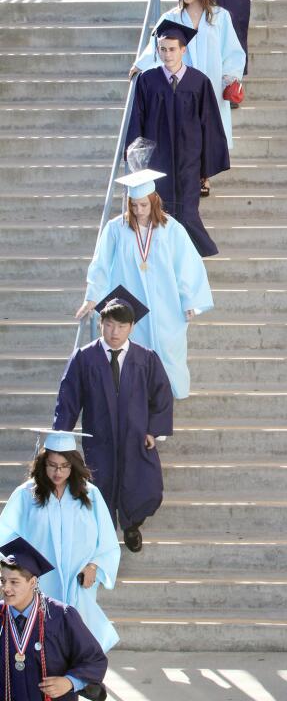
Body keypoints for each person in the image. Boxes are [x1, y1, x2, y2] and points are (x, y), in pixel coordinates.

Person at [75, 168, 214, 400]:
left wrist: (189, 300)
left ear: (154, 202)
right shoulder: (116, 229)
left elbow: (187, 265)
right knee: (134, 360)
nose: (138, 211)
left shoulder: (171, 229)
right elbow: (100, 265)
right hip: (132, 307)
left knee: (167, 355)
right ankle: (140, 416)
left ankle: (160, 415)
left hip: (166, 305)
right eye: (134, 205)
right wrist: (92, 297)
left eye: (143, 205)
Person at [56, 287, 173, 553]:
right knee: (101, 488)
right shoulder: (85, 358)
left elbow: (162, 396)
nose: (115, 332)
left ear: (132, 327)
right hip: (100, 438)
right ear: (100, 324)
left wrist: (153, 431)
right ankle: (106, 540)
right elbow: (68, 399)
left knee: (144, 487)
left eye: (121, 326)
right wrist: (60, 439)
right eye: (109, 325)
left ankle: (132, 525)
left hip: (136, 438)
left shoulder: (146, 358)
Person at [0, 430, 120, 652]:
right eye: (52, 465)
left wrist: (95, 566)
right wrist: (21, 568)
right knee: (43, 635)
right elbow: (4, 534)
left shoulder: (90, 495)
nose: (58, 472)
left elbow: (107, 540)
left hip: (78, 579)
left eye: (64, 466)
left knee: (81, 632)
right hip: (41, 579)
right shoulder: (26, 495)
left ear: (73, 465)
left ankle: (81, 680)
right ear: (43, 463)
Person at [125, 23, 229, 257]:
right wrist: (135, 159)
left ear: (183, 50)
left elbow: (209, 125)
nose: (167, 54)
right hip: (157, 158)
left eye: (172, 49)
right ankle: (163, 254)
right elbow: (136, 120)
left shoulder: (198, 82)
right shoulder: (148, 81)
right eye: (162, 49)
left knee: (187, 211)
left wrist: (206, 168)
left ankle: (196, 252)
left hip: (189, 157)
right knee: (159, 208)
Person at [132, 0, 245, 151]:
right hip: (182, 85)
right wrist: (140, 65)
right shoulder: (172, 17)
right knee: (186, 132)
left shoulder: (220, 16)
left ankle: (205, 175)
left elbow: (232, 51)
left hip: (211, 83)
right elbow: (156, 45)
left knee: (209, 130)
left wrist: (230, 78)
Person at [0, 536, 108, 701]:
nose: (5, 588)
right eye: (2, 580)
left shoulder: (61, 616)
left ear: (32, 582)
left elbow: (94, 659)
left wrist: (70, 682)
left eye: (14, 582)